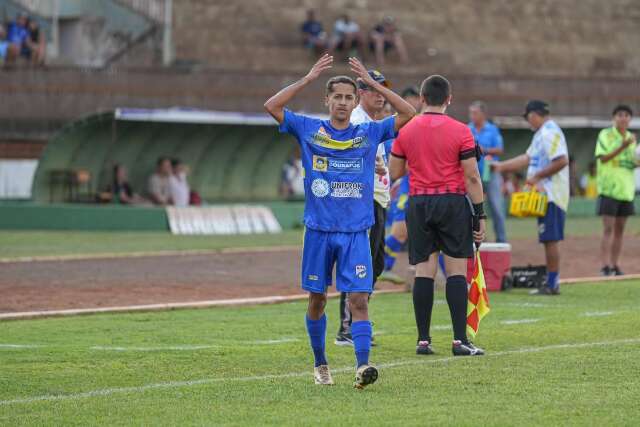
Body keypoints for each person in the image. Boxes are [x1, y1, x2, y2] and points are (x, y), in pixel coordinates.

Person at [264, 54, 415, 388]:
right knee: (317, 299)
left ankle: (363, 367)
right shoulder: (309, 128)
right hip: (319, 231)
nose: (343, 103)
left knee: (359, 299)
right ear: (328, 101)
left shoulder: (368, 133)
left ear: (355, 100)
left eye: (349, 97)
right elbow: (271, 106)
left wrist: (375, 85)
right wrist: (305, 78)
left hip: (356, 232)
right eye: (338, 97)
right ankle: (321, 365)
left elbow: (408, 113)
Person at [389, 75, 486, 357]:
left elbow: (395, 173)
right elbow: (472, 176)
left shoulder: (406, 131)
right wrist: (480, 214)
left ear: (421, 98)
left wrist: (421, 164)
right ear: (449, 99)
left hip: (418, 203)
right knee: (456, 270)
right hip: (452, 202)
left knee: (424, 270)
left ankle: (423, 340)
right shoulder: (461, 131)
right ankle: (459, 341)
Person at [335, 69, 393, 347]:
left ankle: (356, 322)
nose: (381, 96)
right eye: (375, 90)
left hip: (378, 199)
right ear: (361, 94)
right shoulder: (357, 120)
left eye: (382, 90)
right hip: (363, 201)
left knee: (375, 263)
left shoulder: (370, 121)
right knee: (361, 264)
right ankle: (348, 327)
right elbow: (345, 156)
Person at [493, 100, 569, 295]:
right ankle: (551, 281)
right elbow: (526, 158)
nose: (528, 121)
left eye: (527, 117)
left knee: (550, 239)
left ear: (534, 114)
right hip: (545, 195)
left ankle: (552, 283)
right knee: (547, 239)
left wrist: (537, 176)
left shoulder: (549, 132)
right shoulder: (540, 135)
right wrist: (501, 166)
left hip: (551, 195)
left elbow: (562, 160)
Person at [378, 86, 422, 285]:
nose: (414, 102)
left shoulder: (414, 126)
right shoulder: (388, 134)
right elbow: (395, 166)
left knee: (430, 234)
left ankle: (453, 279)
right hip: (400, 187)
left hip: (413, 186)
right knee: (399, 231)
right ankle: (379, 267)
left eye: (416, 98)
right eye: (410, 99)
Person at [595, 105, 638, 276]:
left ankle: (615, 264)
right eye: (620, 115)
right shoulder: (605, 135)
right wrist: (623, 146)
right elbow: (603, 158)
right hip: (609, 188)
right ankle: (604, 265)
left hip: (626, 190)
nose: (623, 118)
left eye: (627, 115)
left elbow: (632, 161)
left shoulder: (631, 138)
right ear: (614, 118)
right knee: (608, 228)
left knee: (620, 230)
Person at [468, 101, 507, 243]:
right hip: (472, 174)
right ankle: (477, 240)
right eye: (471, 113)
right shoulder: (467, 129)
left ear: (483, 114)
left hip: (491, 173)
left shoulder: (492, 129)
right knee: (472, 208)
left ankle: (501, 241)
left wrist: (483, 150)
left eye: (475, 113)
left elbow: (500, 149)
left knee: (496, 207)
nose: (472, 116)